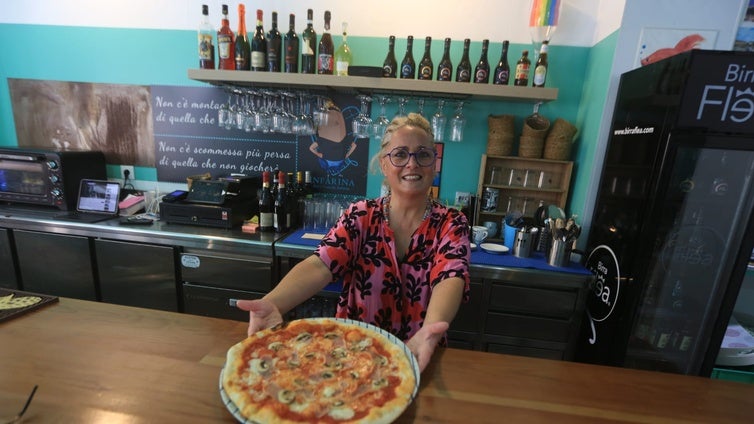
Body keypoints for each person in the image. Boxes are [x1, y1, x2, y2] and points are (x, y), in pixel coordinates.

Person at [237, 112, 471, 372]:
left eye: (423, 154)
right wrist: (274, 302)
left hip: (420, 355)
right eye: (400, 154)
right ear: (384, 164)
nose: (412, 163)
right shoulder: (361, 215)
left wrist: (430, 331)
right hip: (353, 355)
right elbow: (321, 265)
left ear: (433, 164)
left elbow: (450, 278)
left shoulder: (452, 222)